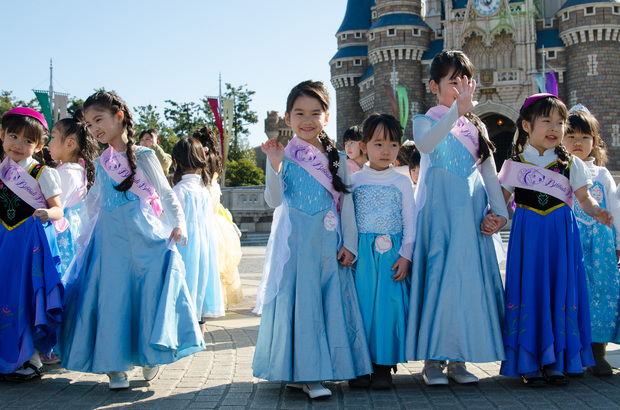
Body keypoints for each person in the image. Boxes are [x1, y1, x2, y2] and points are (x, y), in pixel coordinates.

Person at [58, 91, 205, 390]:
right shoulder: (101, 162)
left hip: (143, 238)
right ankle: (115, 366)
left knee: (146, 294)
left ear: (119, 117)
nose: (94, 129)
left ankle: (150, 354)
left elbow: (166, 193)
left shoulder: (146, 156)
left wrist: (178, 224)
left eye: (99, 120)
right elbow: (94, 203)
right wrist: (85, 237)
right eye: (89, 124)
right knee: (112, 298)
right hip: (108, 242)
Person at [252, 80, 372, 399]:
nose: (307, 120)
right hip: (296, 246)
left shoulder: (338, 158)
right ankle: (307, 373)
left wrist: (350, 244)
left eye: (315, 113)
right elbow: (273, 200)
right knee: (302, 304)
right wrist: (274, 164)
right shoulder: (283, 155)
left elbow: (347, 206)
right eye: (299, 113)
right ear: (288, 118)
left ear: (326, 117)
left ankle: (315, 370)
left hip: (330, 244)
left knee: (329, 303)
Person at [406, 50, 509, 386]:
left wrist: (500, 214)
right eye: (453, 82)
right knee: (439, 280)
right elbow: (427, 144)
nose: (461, 88)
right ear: (434, 86)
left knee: (465, 284)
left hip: (469, 217)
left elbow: (489, 173)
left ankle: (459, 359)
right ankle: (433, 360)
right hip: (438, 217)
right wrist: (456, 112)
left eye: (466, 81)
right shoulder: (424, 120)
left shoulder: (477, 128)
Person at [498, 93, 613, 386]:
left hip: (561, 238)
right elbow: (500, 202)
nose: (555, 128)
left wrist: (596, 211)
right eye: (546, 121)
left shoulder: (571, 163)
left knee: (559, 291)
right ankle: (529, 362)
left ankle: (557, 362)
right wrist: (492, 218)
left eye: (560, 122)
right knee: (530, 291)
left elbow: (584, 198)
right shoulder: (514, 164)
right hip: (528, 239)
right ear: (526, 125)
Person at [349, 113, 414, 389]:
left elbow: (410, 222)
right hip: (362, 256)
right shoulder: (354, 181)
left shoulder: (402, 181)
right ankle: (359, 366)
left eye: (393, 144)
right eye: (378, 144)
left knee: (389, 308)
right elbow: (346, 220)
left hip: (392, 257)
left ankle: (383, 366)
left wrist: (406, 255)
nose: (386, 151)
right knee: (362, 307)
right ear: (364, 146)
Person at [0, 107, 64, 381]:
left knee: (26, 297)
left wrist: (47, 213)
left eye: (28, 140)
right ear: (2, 135)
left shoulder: (42, 173)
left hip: (29, 247)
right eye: (13, 136)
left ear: (38, 146)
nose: (18, 144)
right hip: (4, 243)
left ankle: (32, 358)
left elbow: (58, 209)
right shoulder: (2, 170)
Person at [557, 104, 620, 377]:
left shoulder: (602, 175)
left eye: (585, 137)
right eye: (571, 136)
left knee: (601, 295)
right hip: (569, 243)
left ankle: (597, 352)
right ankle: (570, 352)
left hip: (600, 249)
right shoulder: (557, 172)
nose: (578, 142)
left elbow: (615, 209)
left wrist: (618, 245)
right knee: (569, 294)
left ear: (594, 142)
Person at [171, 137, 224, 321]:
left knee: (185, 287)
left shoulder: (179, 191)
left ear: (177, 162)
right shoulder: (203, 190)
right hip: (204, 247)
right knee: (200, 286)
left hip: (185, 248)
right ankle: (199, 328)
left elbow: (170, 224)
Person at [192, 126, 244, 307]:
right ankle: (218, 300)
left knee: (206, 262)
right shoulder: (216, 165)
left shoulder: (198, 165)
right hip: (217, 221)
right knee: (219, 264)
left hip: (205, 220)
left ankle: (207, 301)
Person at [48, 110, 99, 274]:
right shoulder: (76, 169)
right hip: (73, 231)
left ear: (70, 144)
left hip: (62, 234)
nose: (49, 143)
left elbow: (55, 205)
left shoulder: (67, 172)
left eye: (53, 137)